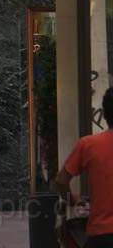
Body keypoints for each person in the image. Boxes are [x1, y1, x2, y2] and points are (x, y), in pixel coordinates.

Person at [56, 87, 113, 247]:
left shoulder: (88, 145)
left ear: (105, 114)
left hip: (102, 236)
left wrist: (72, 200)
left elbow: (61, 180)